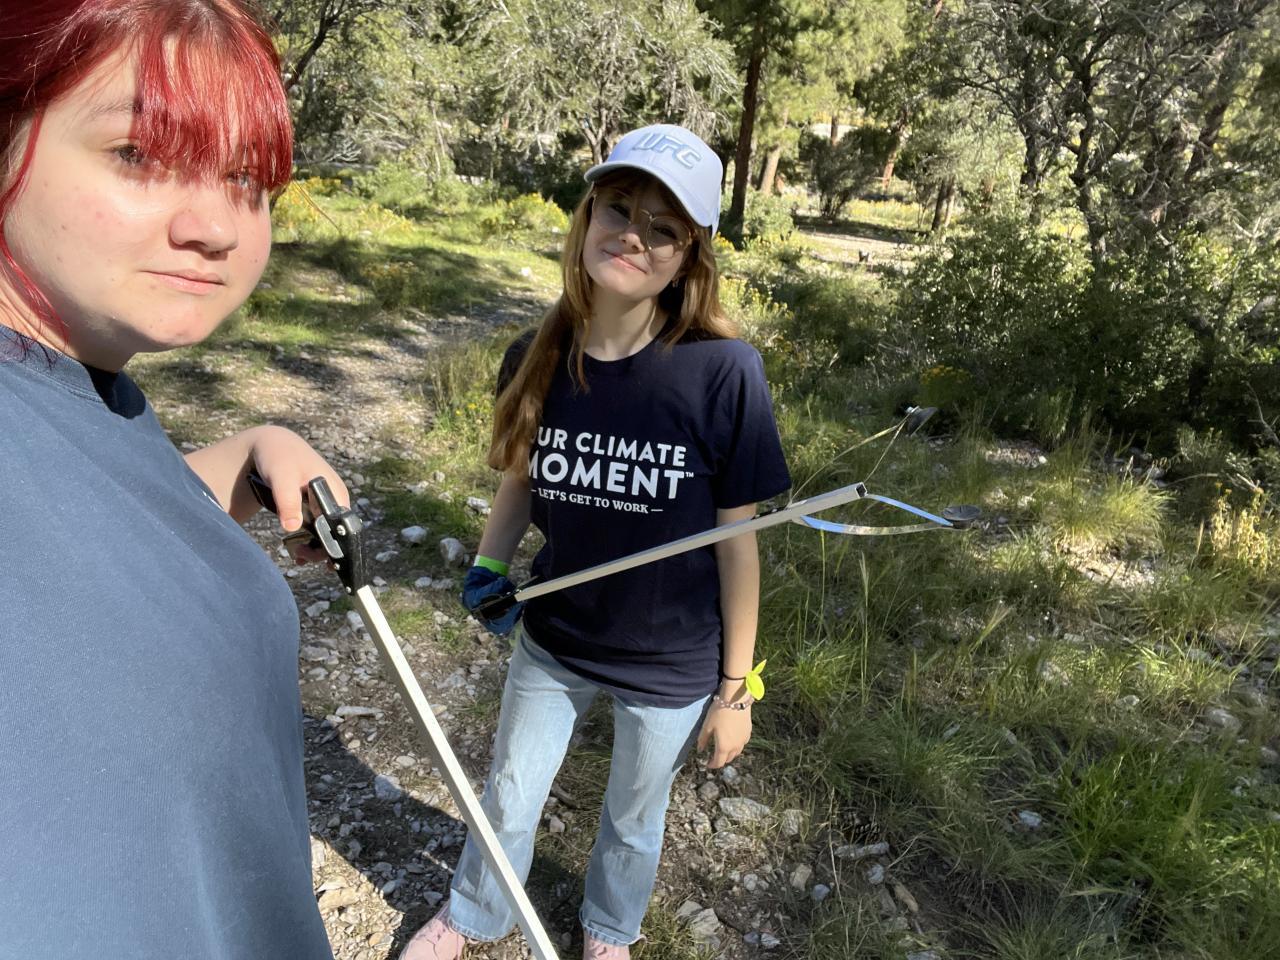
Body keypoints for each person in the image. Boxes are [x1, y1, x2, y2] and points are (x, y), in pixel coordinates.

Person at [401, 124, 791, 960]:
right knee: (509, 793)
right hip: (557, 639)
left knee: (634, 818)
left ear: (687, 257)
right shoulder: (535, 354)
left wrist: (735, 694)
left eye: (663, 227)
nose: (634, 235)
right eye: (618, 208)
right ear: (586, 218)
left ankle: (609, 929)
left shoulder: (725, 372)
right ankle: (475, 912)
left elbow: (741, 545)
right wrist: (490, 564)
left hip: (672, 663)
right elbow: (520, 479)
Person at [0, 2, 341, 957]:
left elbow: (80, 534)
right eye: (140, 155)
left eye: (245, 178)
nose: (215, 226)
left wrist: (240, 457)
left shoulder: (79, 384)